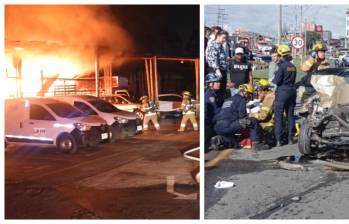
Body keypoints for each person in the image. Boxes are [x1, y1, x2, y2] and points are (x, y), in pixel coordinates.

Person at [211, 84, 268, 151]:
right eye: (249, 94)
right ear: (244, 92)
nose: (249, 96)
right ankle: (257, 144)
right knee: (253, 120)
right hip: (228, 125)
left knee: (236, 142)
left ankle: (219, 139)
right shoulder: (241, 99)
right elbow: (242, 117)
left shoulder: (228, 99)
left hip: (218, 127)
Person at [272, 44, 297, 147]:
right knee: (290, 116)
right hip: (292, 92)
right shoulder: (293, 67)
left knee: (278, 117)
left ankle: (278, 140)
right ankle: (290, 139)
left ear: (281, 54)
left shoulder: (281, 67)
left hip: (282, 92)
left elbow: (276, 81)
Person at [206, 30, 229, 107]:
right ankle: (214, 107)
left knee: (221, 91)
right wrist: (217, 70)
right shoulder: (213, 45)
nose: (225, 40)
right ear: (218, 36)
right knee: (215, 90)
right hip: (215, 71)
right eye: (223, 38)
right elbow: (213, 59)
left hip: (222, 70)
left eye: (226, 38)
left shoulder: (221, 46)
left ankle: (219, 106)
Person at [204, 73, 221, 153]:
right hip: (210, 122)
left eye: (218, 82)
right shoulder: (209, 95)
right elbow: (216, 111)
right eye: (216, 82)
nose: (219, 83)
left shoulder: (214, 94)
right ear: (210, 84)